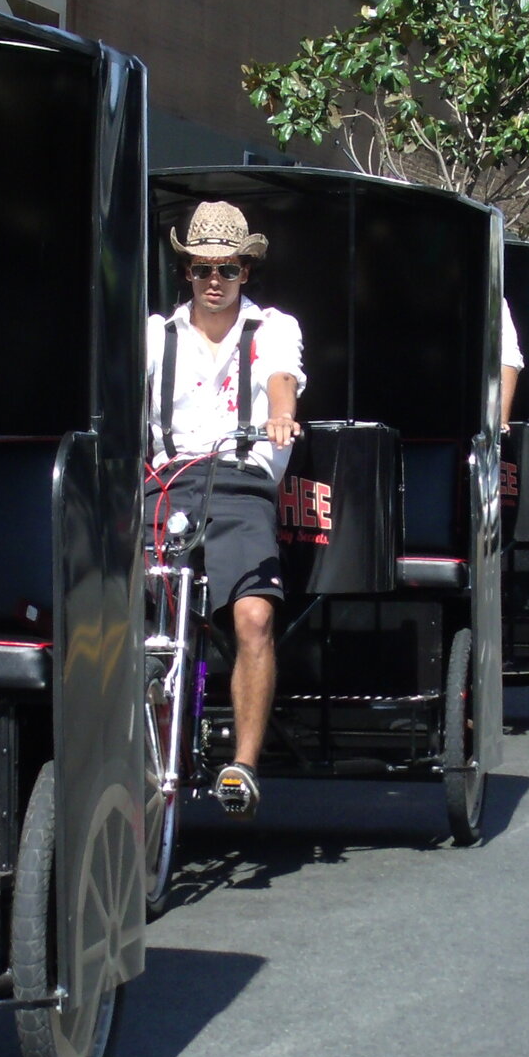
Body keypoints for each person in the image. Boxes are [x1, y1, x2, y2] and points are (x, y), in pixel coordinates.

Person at [145, 201, 303, 819]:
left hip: (240, 485)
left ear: (246, 272)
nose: (215, 281)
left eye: (228, 270)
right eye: (202, 268)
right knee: (134, 618)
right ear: (186, 271)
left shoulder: (273, 330)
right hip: (166, 485)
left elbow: (280, 380)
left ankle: (242, 764)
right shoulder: (155, 336)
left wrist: (281, 415)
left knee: (254, 619)